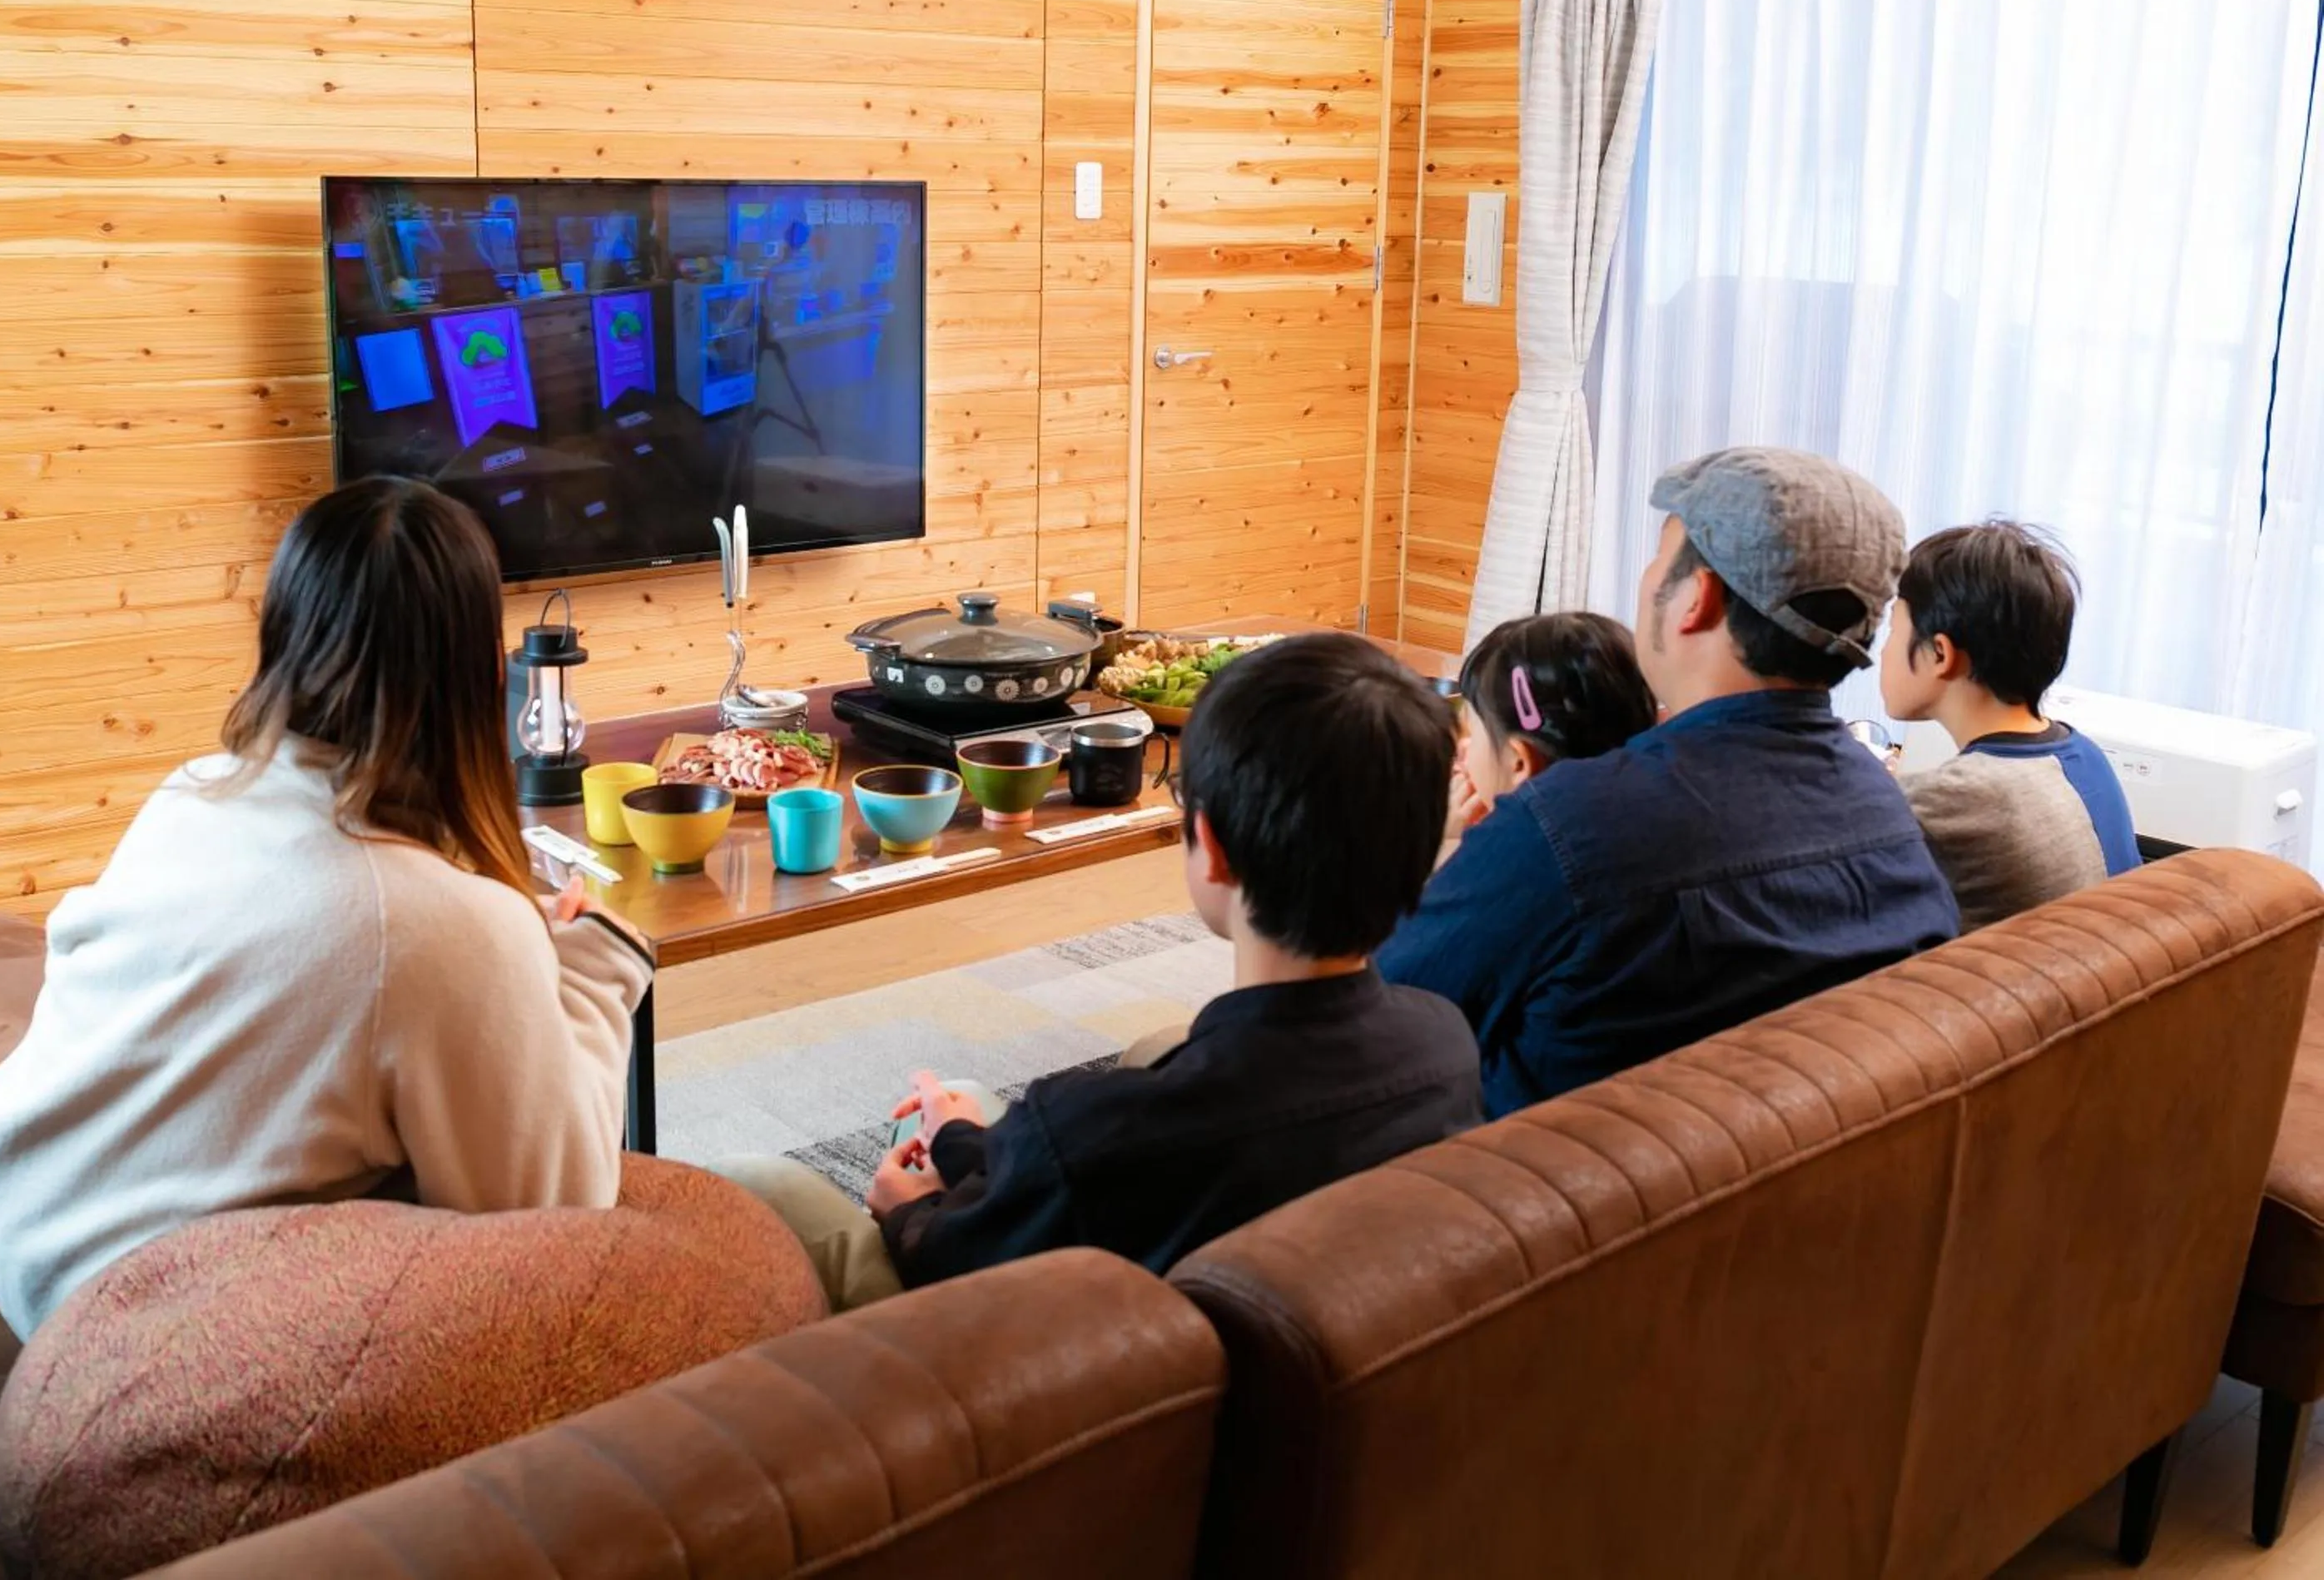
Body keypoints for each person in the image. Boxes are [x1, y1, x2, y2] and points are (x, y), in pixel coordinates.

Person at [0, 479, 654, 1339]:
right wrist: (589, 966)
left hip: (26, 1228)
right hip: (137, 1338)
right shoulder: (442, 928)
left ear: (285, 632)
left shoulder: (196, 793)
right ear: (476, 671)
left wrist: (502, 945)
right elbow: (559, 1217)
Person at [715, 634, 1484, 1309]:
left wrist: (906, 1211)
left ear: (1213, 848)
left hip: (1032, 1359)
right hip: (1247, 1335)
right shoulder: (1445, 1044)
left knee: (761, 1183)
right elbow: (1061, 1163)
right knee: (970, 1098)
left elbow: (960, 1253)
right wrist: (958, 1140)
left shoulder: (1103, 1124)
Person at [1378, 446, 1959, 1116]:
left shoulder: (1570, 826)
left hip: (1541, 1176)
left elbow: (1371, 1014)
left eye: (1658, 559)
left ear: (1696, 598)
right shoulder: (1887, 811)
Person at [1880, 521, 2139, 932]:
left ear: (1940, 654)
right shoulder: (2085, 755)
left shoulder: (1955, 798)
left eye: (1893, 631)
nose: (1882, 652)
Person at [1443, 612, 1658, 849]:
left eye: (1471, 735)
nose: (1461, 751)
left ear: (1518, 763)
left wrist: (1450, 841)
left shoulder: (1501, 855)